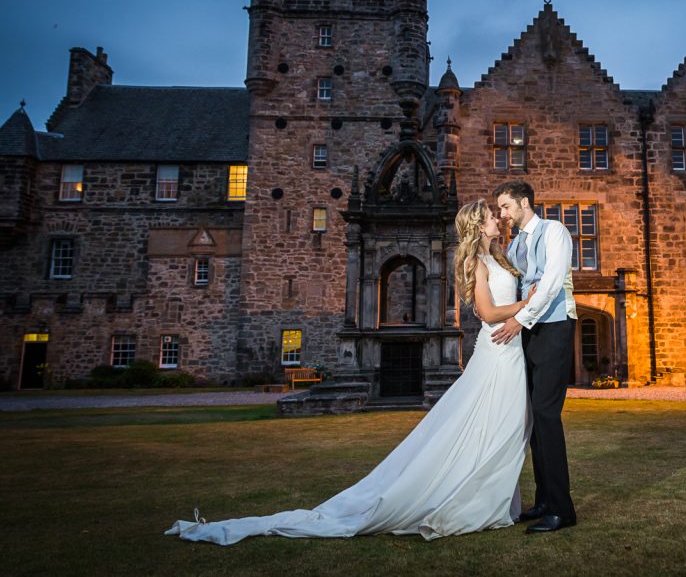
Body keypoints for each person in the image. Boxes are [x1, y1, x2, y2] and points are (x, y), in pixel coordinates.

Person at [166, 199, 534, 544]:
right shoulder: (478, 264)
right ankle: (472, 498)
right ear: (477, 226)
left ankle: (490, 495)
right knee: (493, 424)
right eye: (490, 215)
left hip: (509, 350)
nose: (496, 218)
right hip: (498, 349)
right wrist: (526, 304)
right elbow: (486, 313)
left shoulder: (500, 257)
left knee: (503, 425)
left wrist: (523, 306)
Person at [492, 180, 577, 533]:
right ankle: (543, 500)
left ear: (524, 202)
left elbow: (552, 282)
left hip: (556, 325)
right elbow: (516, 286)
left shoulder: (554, 231)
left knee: (546, 413)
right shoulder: (514, 247)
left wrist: (519, 319)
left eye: (505, 207)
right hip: (529, 330)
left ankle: (562, 509)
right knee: (534, 420)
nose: (502, 214)